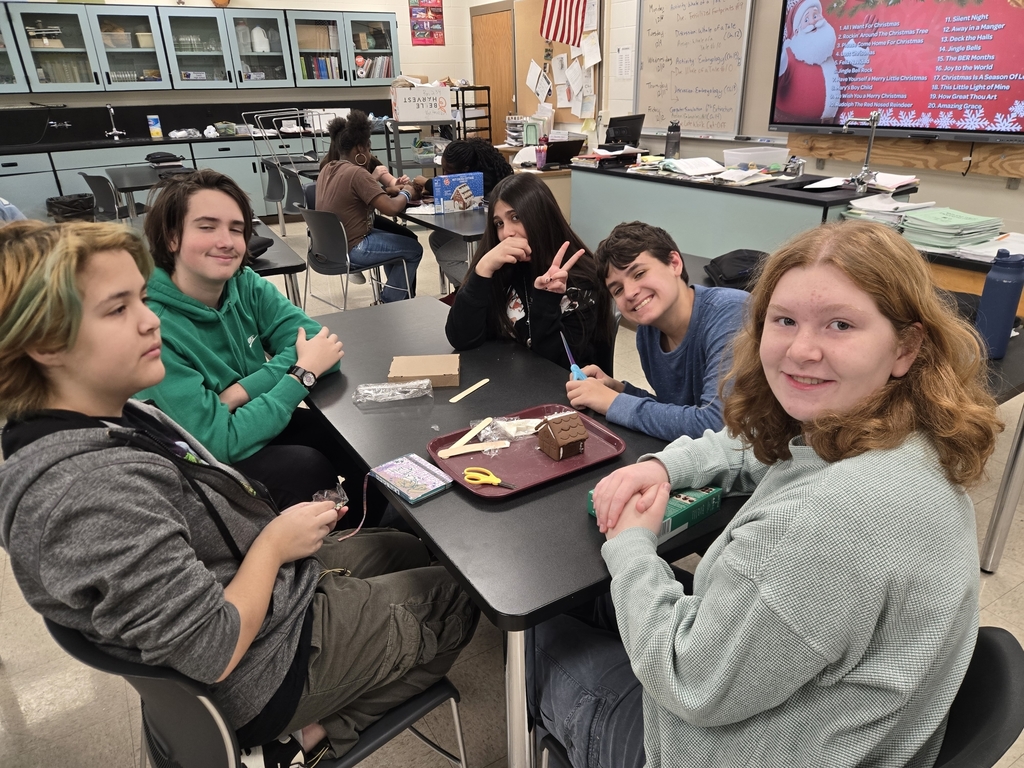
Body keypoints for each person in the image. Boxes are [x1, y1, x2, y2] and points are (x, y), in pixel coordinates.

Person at [0, 220, 479, 764]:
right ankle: (307, 738)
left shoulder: (107, 418)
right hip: (262, 665)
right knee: (461, 594)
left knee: (412, 549)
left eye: (140, 298)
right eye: (118, 309)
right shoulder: (86, 495)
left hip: (265, 592)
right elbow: (215, 649)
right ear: (44, 344)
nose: (151, 319)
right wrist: (274, 542)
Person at [530, 220, 1002, 768]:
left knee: (539, 632)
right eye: (784, 320)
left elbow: (689, 680)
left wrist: (633, 544)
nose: (802, 350)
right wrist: (665, 464)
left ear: (906, 345)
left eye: (840, 325)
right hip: (820, 718)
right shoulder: (900, 433)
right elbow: (761, 444)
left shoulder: (826, 523)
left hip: (709, 745)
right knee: (591, 602)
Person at [135, 168, 353, 514]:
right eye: (207, 227)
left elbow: (320, 347)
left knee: (342, 437)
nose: (226, 241)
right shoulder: (151, 327)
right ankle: (328, 553)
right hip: (197, 463)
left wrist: (243, 390)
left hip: (244, 420)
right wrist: (299, 374)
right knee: (304, 468)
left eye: (236, 229)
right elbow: (217, 443)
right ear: (172, 237)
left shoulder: (243, 282)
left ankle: (388, 531)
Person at [566, 221, 748, 441]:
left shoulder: (731, 312)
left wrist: (612, 403)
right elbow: (676, 411)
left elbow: (717, 426)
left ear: (674, 263)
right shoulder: (647, 333)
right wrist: (618, 390)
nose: (631, 293)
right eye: (618, 289)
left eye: (639, 273)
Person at [445, 172, 615, 373]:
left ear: (541, 217)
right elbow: (461, 339)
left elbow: (559, 367)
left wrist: (546, 298)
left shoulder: (580, 280)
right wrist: (482, 270)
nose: (506, 233)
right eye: (499, 223)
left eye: (516, 217)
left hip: (563, 395)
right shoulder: (504, 270)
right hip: (507, 384)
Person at [316, 110, 423, 302]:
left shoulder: (328, 168)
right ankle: (389, 302)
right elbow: (390, 209)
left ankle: (396, 299)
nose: (369, 152)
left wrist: (385, 192)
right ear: (359, 149)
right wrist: (408, 192)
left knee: (401, 244)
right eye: (368, 147)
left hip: (330, 248)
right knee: (414, 249)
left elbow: (353, 198)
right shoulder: (357, 173)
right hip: (355, 248)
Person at [416, 138, 514, 274]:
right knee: (436, 239)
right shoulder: (475, 168)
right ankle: (458, 289)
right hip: (478, 226)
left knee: (446, 256)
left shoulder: (485, 180)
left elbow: (455, 189)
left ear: (465, 169)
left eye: (449, 172)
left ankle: (475, 293)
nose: (445, 175)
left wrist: (427, 183)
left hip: (493, 233)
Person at [774, 0, 874, 124]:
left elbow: (846, 75)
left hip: (833, 130)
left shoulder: (831, 57)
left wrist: (859, 47)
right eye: (806, 19)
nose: (813, 21)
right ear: (797, 31)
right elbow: (774, 82)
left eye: (815, 15)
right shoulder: (789, 56)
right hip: (795, 130)